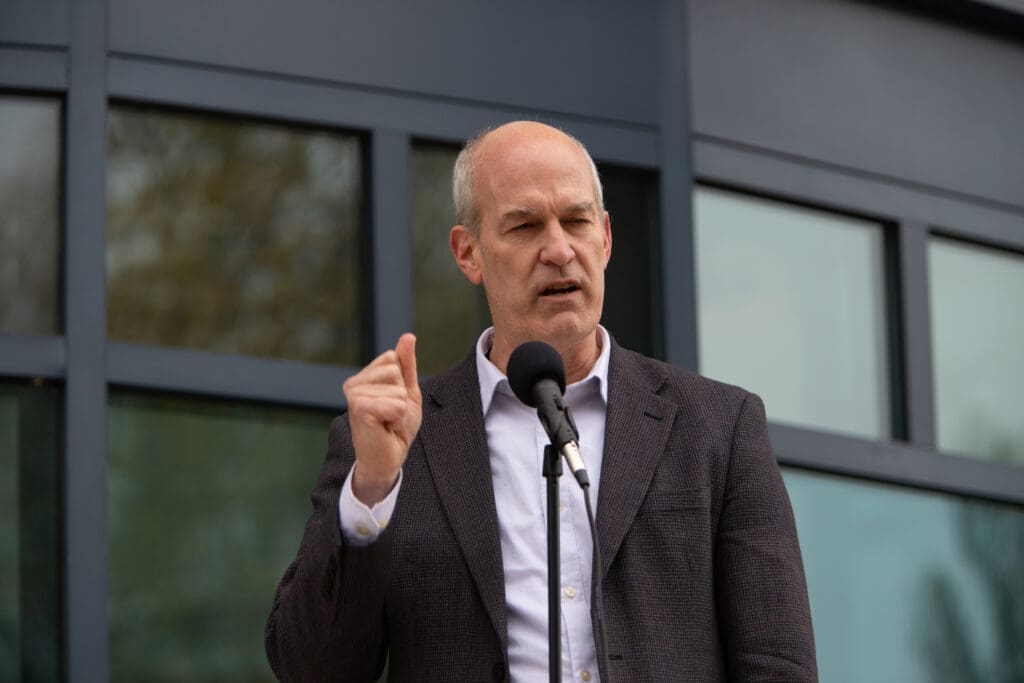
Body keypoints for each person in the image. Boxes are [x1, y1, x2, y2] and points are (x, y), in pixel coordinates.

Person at [265, 121, 817, 681]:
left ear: (605, 238)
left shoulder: (718, 427)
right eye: (525, 226)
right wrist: (373, 493)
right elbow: (313, 669)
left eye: (576, 221)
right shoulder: (399, 441)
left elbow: (778, 664)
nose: (559, 250)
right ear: (469, 253)